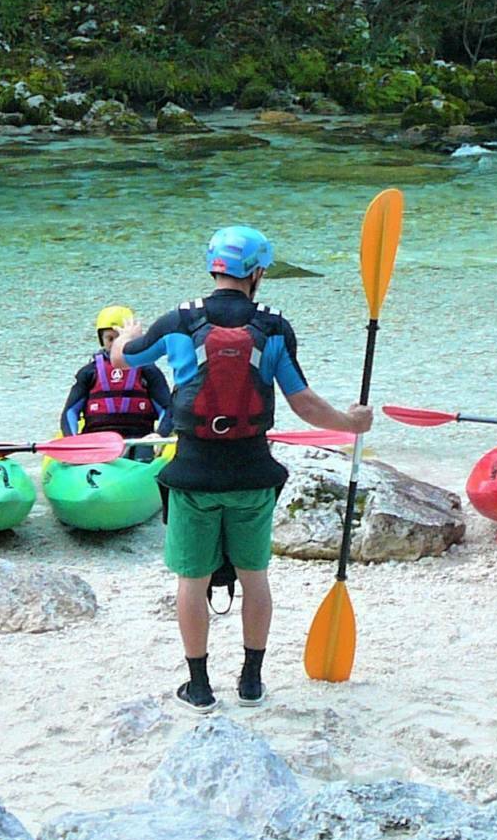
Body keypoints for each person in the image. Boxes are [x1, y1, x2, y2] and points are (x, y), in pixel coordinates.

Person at [110, 224, 373, 712]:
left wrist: (124, 337)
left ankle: (200, 687)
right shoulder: (273, 327)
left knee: (191, 580)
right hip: (254, 473)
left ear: (214, 267)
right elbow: (305, 404)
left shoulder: (179, 321)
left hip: (193, 474)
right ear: (256, 273)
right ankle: (251, 682)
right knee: (255, 576)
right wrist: (350, 422)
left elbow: (125, 360)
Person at [62, 306, 173, 460]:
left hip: (140, 440)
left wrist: (160, 435)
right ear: (102, 340)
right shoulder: (88, 372)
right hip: (98, 440)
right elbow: (70, 413)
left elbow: (169, 410)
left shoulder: (148, 371)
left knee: (145, 455)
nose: (116, 344)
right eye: (110, 339)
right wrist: (72, 440)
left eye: (120, 337)